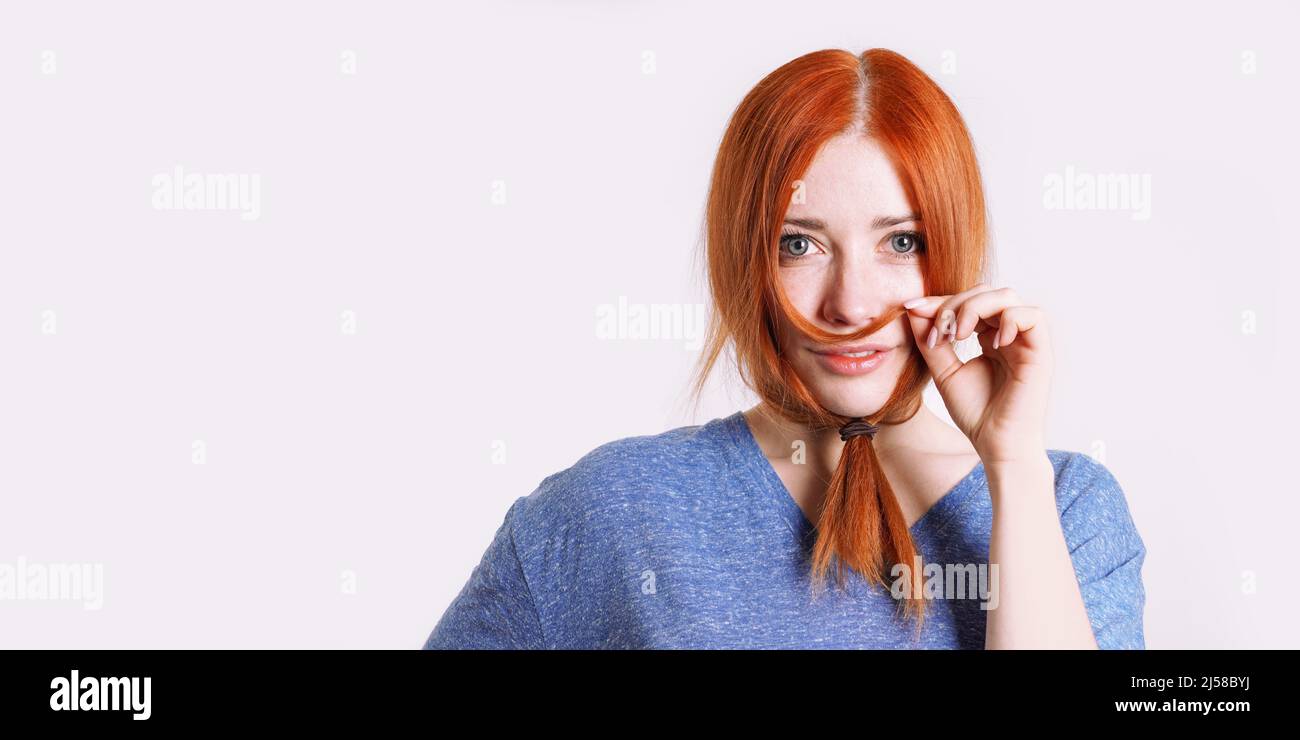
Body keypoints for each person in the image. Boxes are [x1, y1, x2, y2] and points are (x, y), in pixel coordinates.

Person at [424, 47, 1146, 649]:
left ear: (951, 251)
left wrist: (1011, 463)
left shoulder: (1064, 508)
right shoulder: (611, 510)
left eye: (901, 242)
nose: (851, 303)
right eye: (798, 244)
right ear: (745, 259)